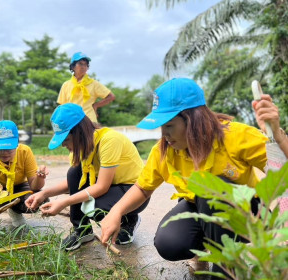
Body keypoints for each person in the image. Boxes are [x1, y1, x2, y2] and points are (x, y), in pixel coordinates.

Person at [100, 78, 267, 277]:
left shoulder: (236, 136)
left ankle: (227, 264)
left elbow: (281, 168)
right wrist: (116, 212)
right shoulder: (164, 150)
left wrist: (278, 137)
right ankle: (203, 251)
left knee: (209, 189)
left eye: (169, 126)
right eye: (162, 127)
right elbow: (143, 188)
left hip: (248, 212)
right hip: (200, 206)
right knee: (169, 243)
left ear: (194, 119)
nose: (165, 135)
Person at [25, 103, 149, 251]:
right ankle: (82, 230)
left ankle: (128, 219)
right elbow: (75, 182)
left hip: (133, 192)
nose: (63, 145)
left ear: (79, 132)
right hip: (112, 188)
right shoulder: (80, 149)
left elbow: (102, 186)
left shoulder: (109, 140)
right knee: (73, 172)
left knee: (93, 208)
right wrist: (44, 193)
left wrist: (63, 203)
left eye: (66, 139)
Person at [57, 52, 115, 123]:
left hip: (89, 121)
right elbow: (62, 107)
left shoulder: (93, 83)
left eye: (86, 65)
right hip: (71, 122)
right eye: (80, 64)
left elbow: (111, 96)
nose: (83, 67)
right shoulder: (66, 85)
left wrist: (96, 105)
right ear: (73, 67)